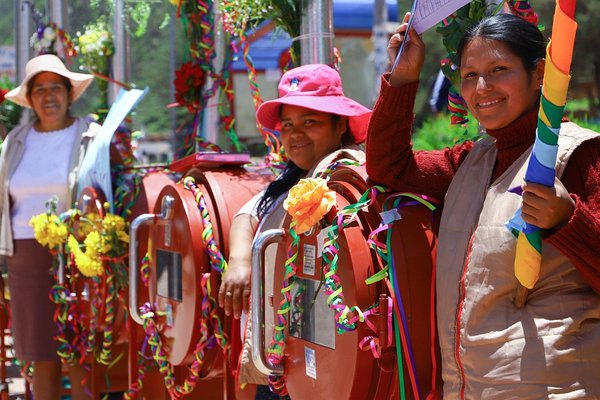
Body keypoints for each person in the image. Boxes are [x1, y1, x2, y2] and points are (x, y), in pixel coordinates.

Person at [366, 12, 600, 398]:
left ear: (540, 73)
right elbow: (389, 169)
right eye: (470, 74)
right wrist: (403, 77)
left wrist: (567, 220)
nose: (482, 87)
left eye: (499, 69)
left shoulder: (579, 157)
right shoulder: (471, 161)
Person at [217, 63, 371, 397]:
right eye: (287, 125)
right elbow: (247, 214)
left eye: (309, 122)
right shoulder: (293, 181)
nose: (294, 134)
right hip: (284, 362)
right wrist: (241, 258)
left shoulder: (349, 183)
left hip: (328, 367)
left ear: (340, 123)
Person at [0, 54, 97, 400]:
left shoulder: (91, 136)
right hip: (24, 256)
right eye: (39, 89)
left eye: (56, 87)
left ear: (70, 93)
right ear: (29, 98)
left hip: (77, 254)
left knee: (80, 349)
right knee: (42, 353)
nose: (48, 96)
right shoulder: (16, 140)